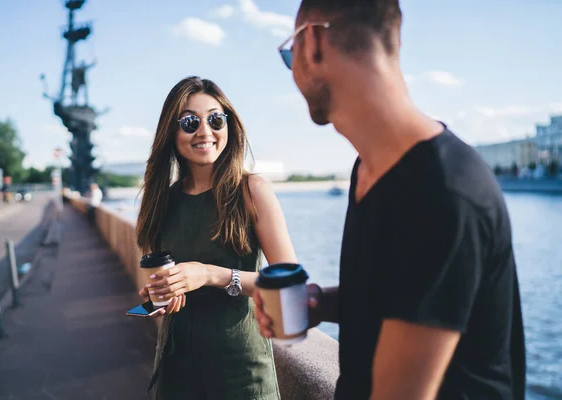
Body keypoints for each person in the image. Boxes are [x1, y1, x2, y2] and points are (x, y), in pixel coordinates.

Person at [254, 1, 526, 399]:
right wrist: (321, 304)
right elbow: (400, 293)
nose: (293, 71)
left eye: (289, 54)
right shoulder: (370, 168)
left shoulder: (441, 191)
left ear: (311, 43)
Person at [135, 76, 297, 399]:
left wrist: (210, 274)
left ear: (228, 125)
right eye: (190, 122)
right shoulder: (162, 203)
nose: (205, 131)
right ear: (172, 131)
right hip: (175, 374)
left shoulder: (252, 192)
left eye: (215, 119)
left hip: (242, 376)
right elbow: (159, 288)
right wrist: (157, 297)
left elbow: (291, 288)